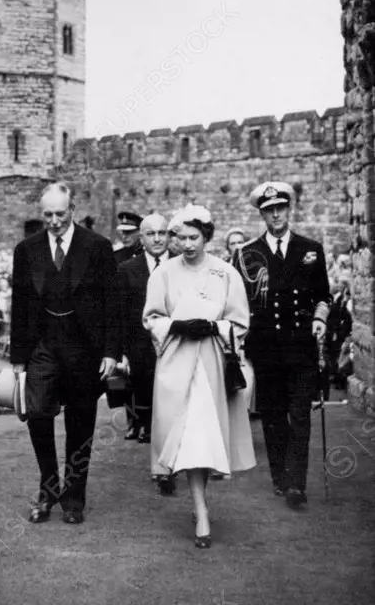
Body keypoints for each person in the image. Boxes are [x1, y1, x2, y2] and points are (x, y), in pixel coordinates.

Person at [143, 204, 255, 549]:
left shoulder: (225, 273)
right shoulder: (163, 273)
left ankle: (200, 506)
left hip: (210, 365)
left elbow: (240, 323)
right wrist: (176, 325)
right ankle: (201, 510)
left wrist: (213, 326)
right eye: (181, 238)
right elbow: (151, 317)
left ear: (207, 236)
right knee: (186, 437)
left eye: (194, 238)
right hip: (176, 362)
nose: (187, 245)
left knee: (204, 438)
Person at [10, 181, 120, 525]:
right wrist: (17, 357)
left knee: (80, 423)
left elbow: (112, 302)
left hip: (84, 347)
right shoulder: (27, 250)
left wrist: (111, 351)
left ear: (72, 211)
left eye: (60, 214)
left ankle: (73, 498)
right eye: (47, 215)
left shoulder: (98, 247)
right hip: (43, 345)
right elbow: (21, 304)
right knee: (38, 413)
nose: (54, 221)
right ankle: (48, 487)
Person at [233, 181, 331, 510]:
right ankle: (280, 475)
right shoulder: (247, 253)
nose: (275, 214)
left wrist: (319, 319)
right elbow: (238, 301)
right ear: (261, 213)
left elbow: (324, 295)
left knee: (300, 415)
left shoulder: (310, 249)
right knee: (273, 415)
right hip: (267, 348)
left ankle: (296, 484)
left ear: (289, 209)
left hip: (301, 346)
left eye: (281, 208)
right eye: (269, 210)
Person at [116, 213, 174, 476]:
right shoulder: (128, 269)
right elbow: (121, 313)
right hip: (141, 348)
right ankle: (158, 460)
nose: (158, 239)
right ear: (142, 238)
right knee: (144, 396)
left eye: (163, 233)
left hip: (175, 346)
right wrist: (122, 353)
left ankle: (169, 457)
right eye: (151, 234)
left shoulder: (181, 264)